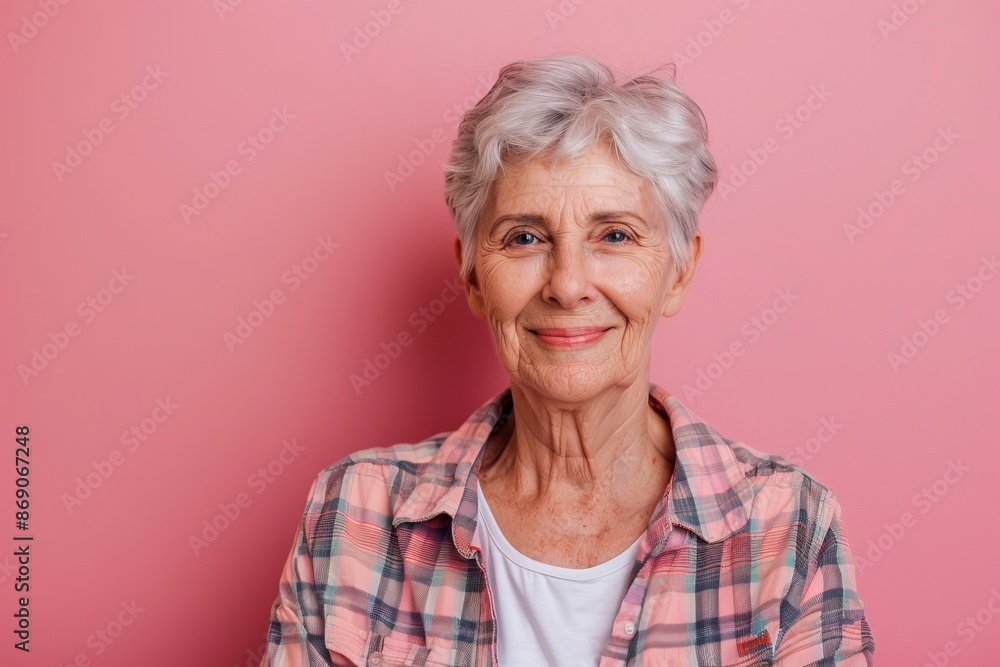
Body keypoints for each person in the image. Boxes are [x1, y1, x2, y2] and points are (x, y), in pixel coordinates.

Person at [264, 53, 875, 666]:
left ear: (679, 271)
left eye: (614, 235)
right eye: (524, 237)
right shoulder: (354, 517)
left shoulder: (789, 529)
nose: (568, 284)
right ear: (474, 275)